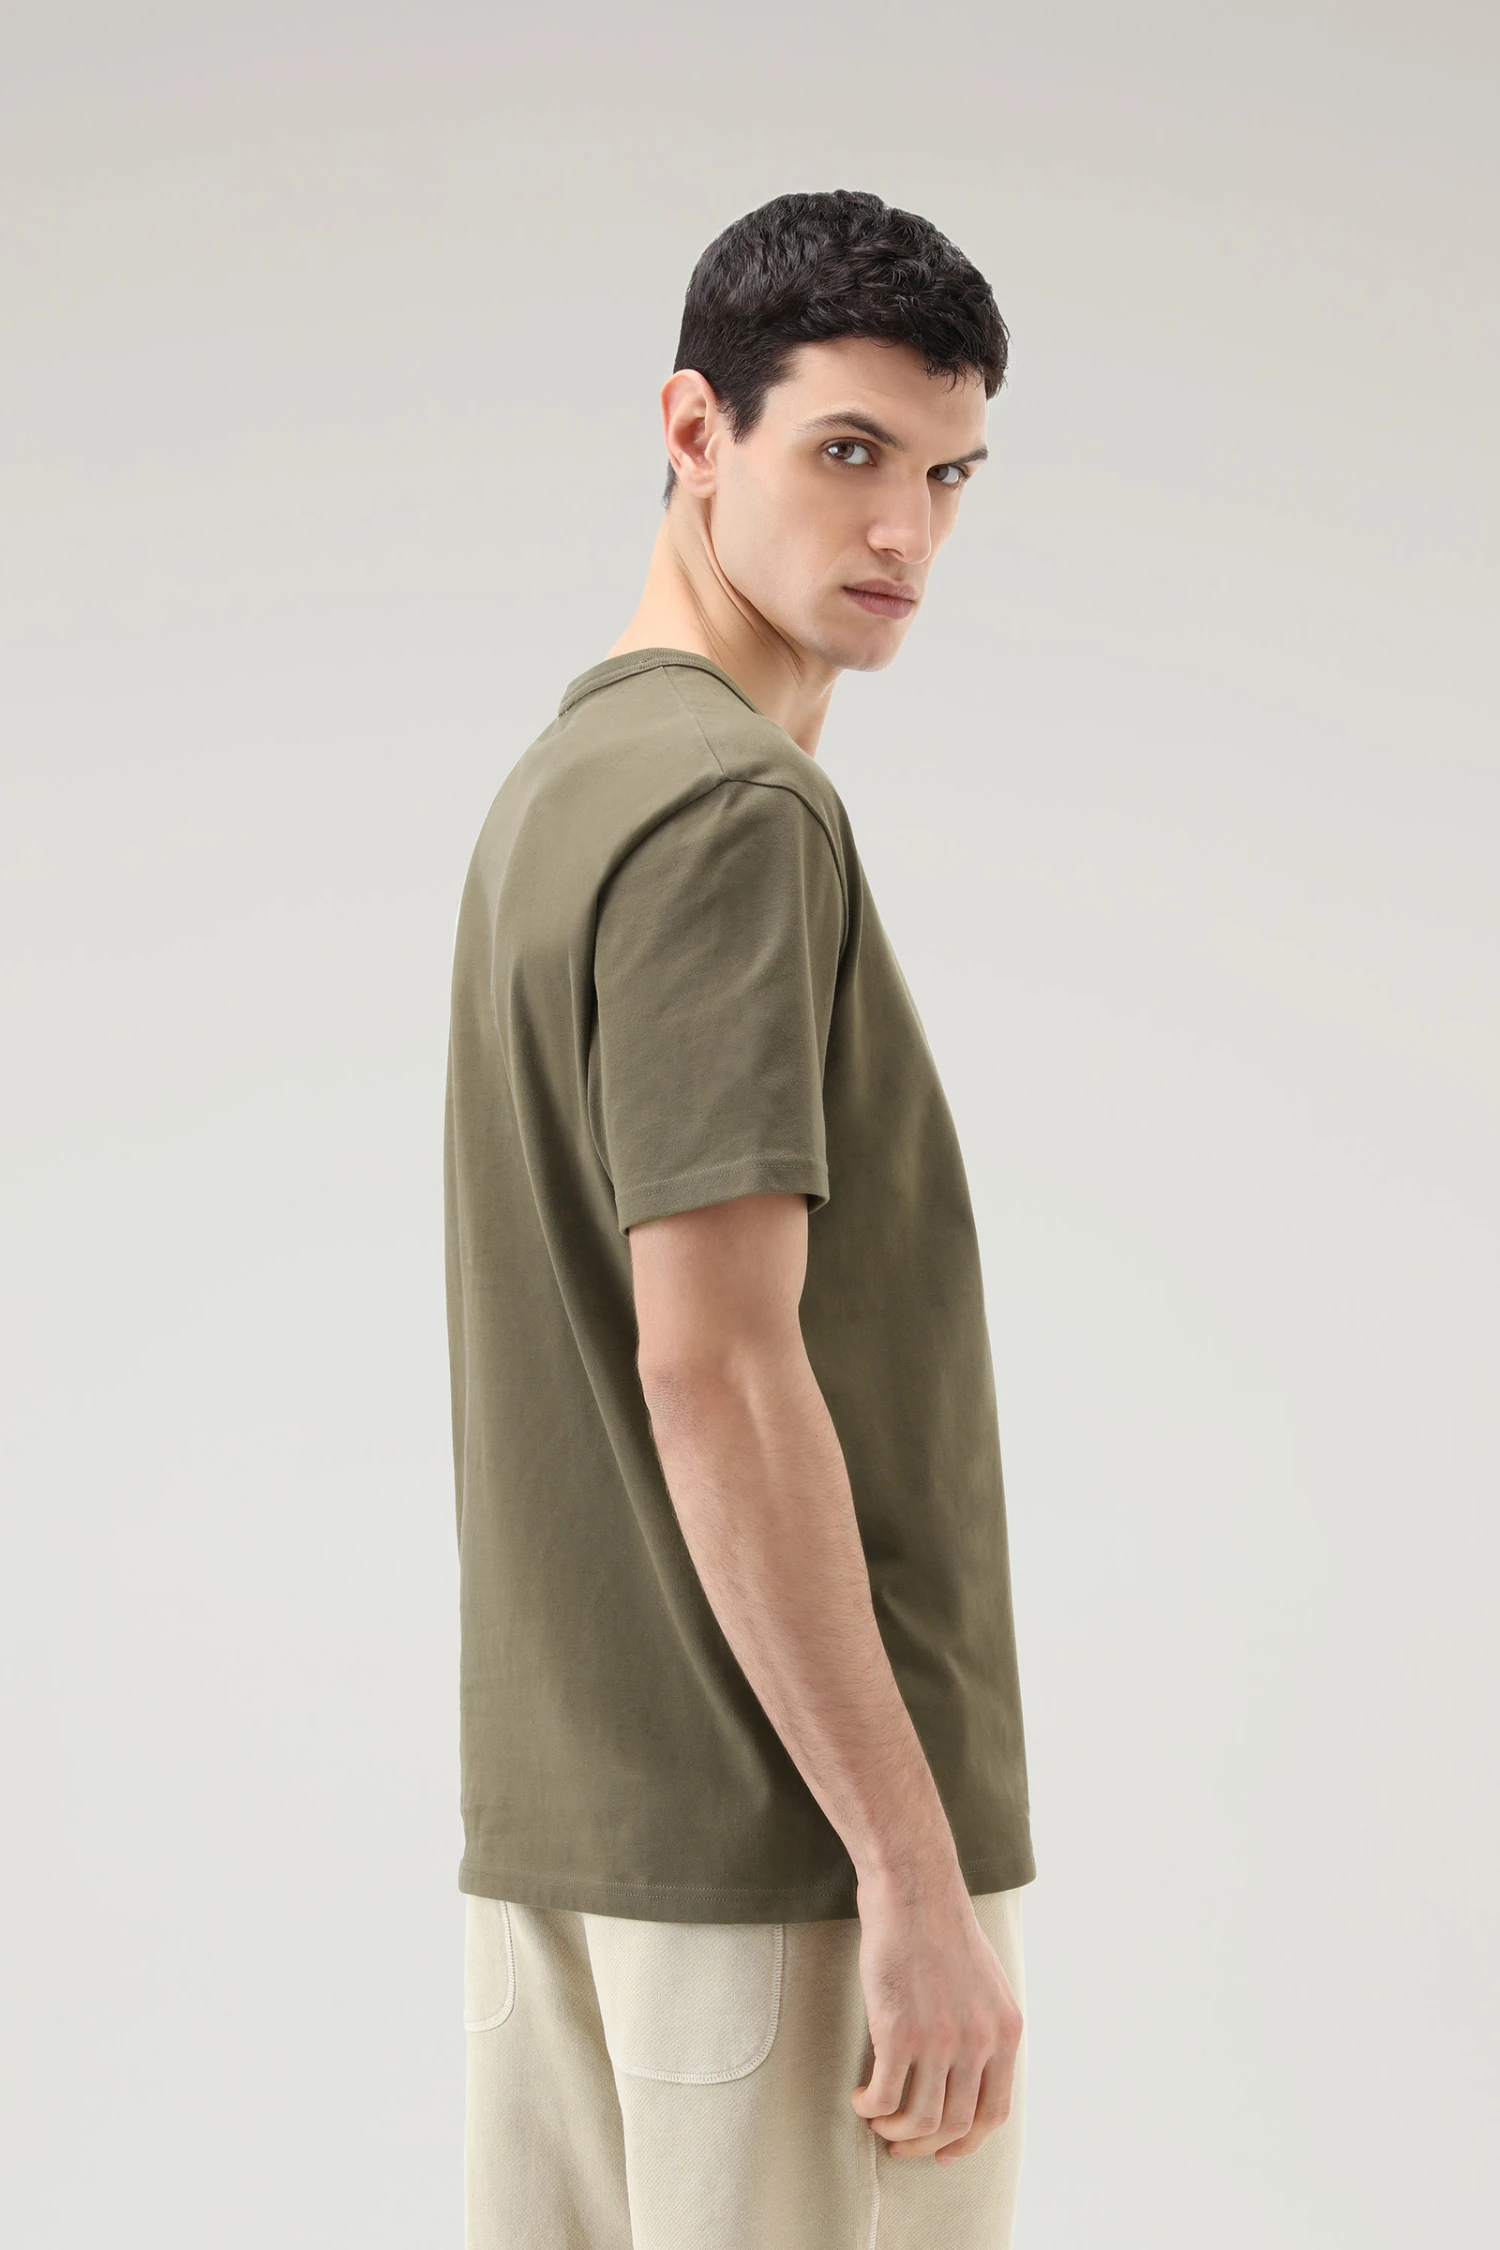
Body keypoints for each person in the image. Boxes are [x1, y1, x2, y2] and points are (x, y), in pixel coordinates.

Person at [445, 188, 1035, 2249]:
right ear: (695, 429)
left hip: (577, 1840)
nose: (906, 532)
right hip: (781, 1870)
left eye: (949, 475)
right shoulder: (729, 810)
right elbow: (712, 1364)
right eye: (849, 451)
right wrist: (913, 1876)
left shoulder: (560, 788)